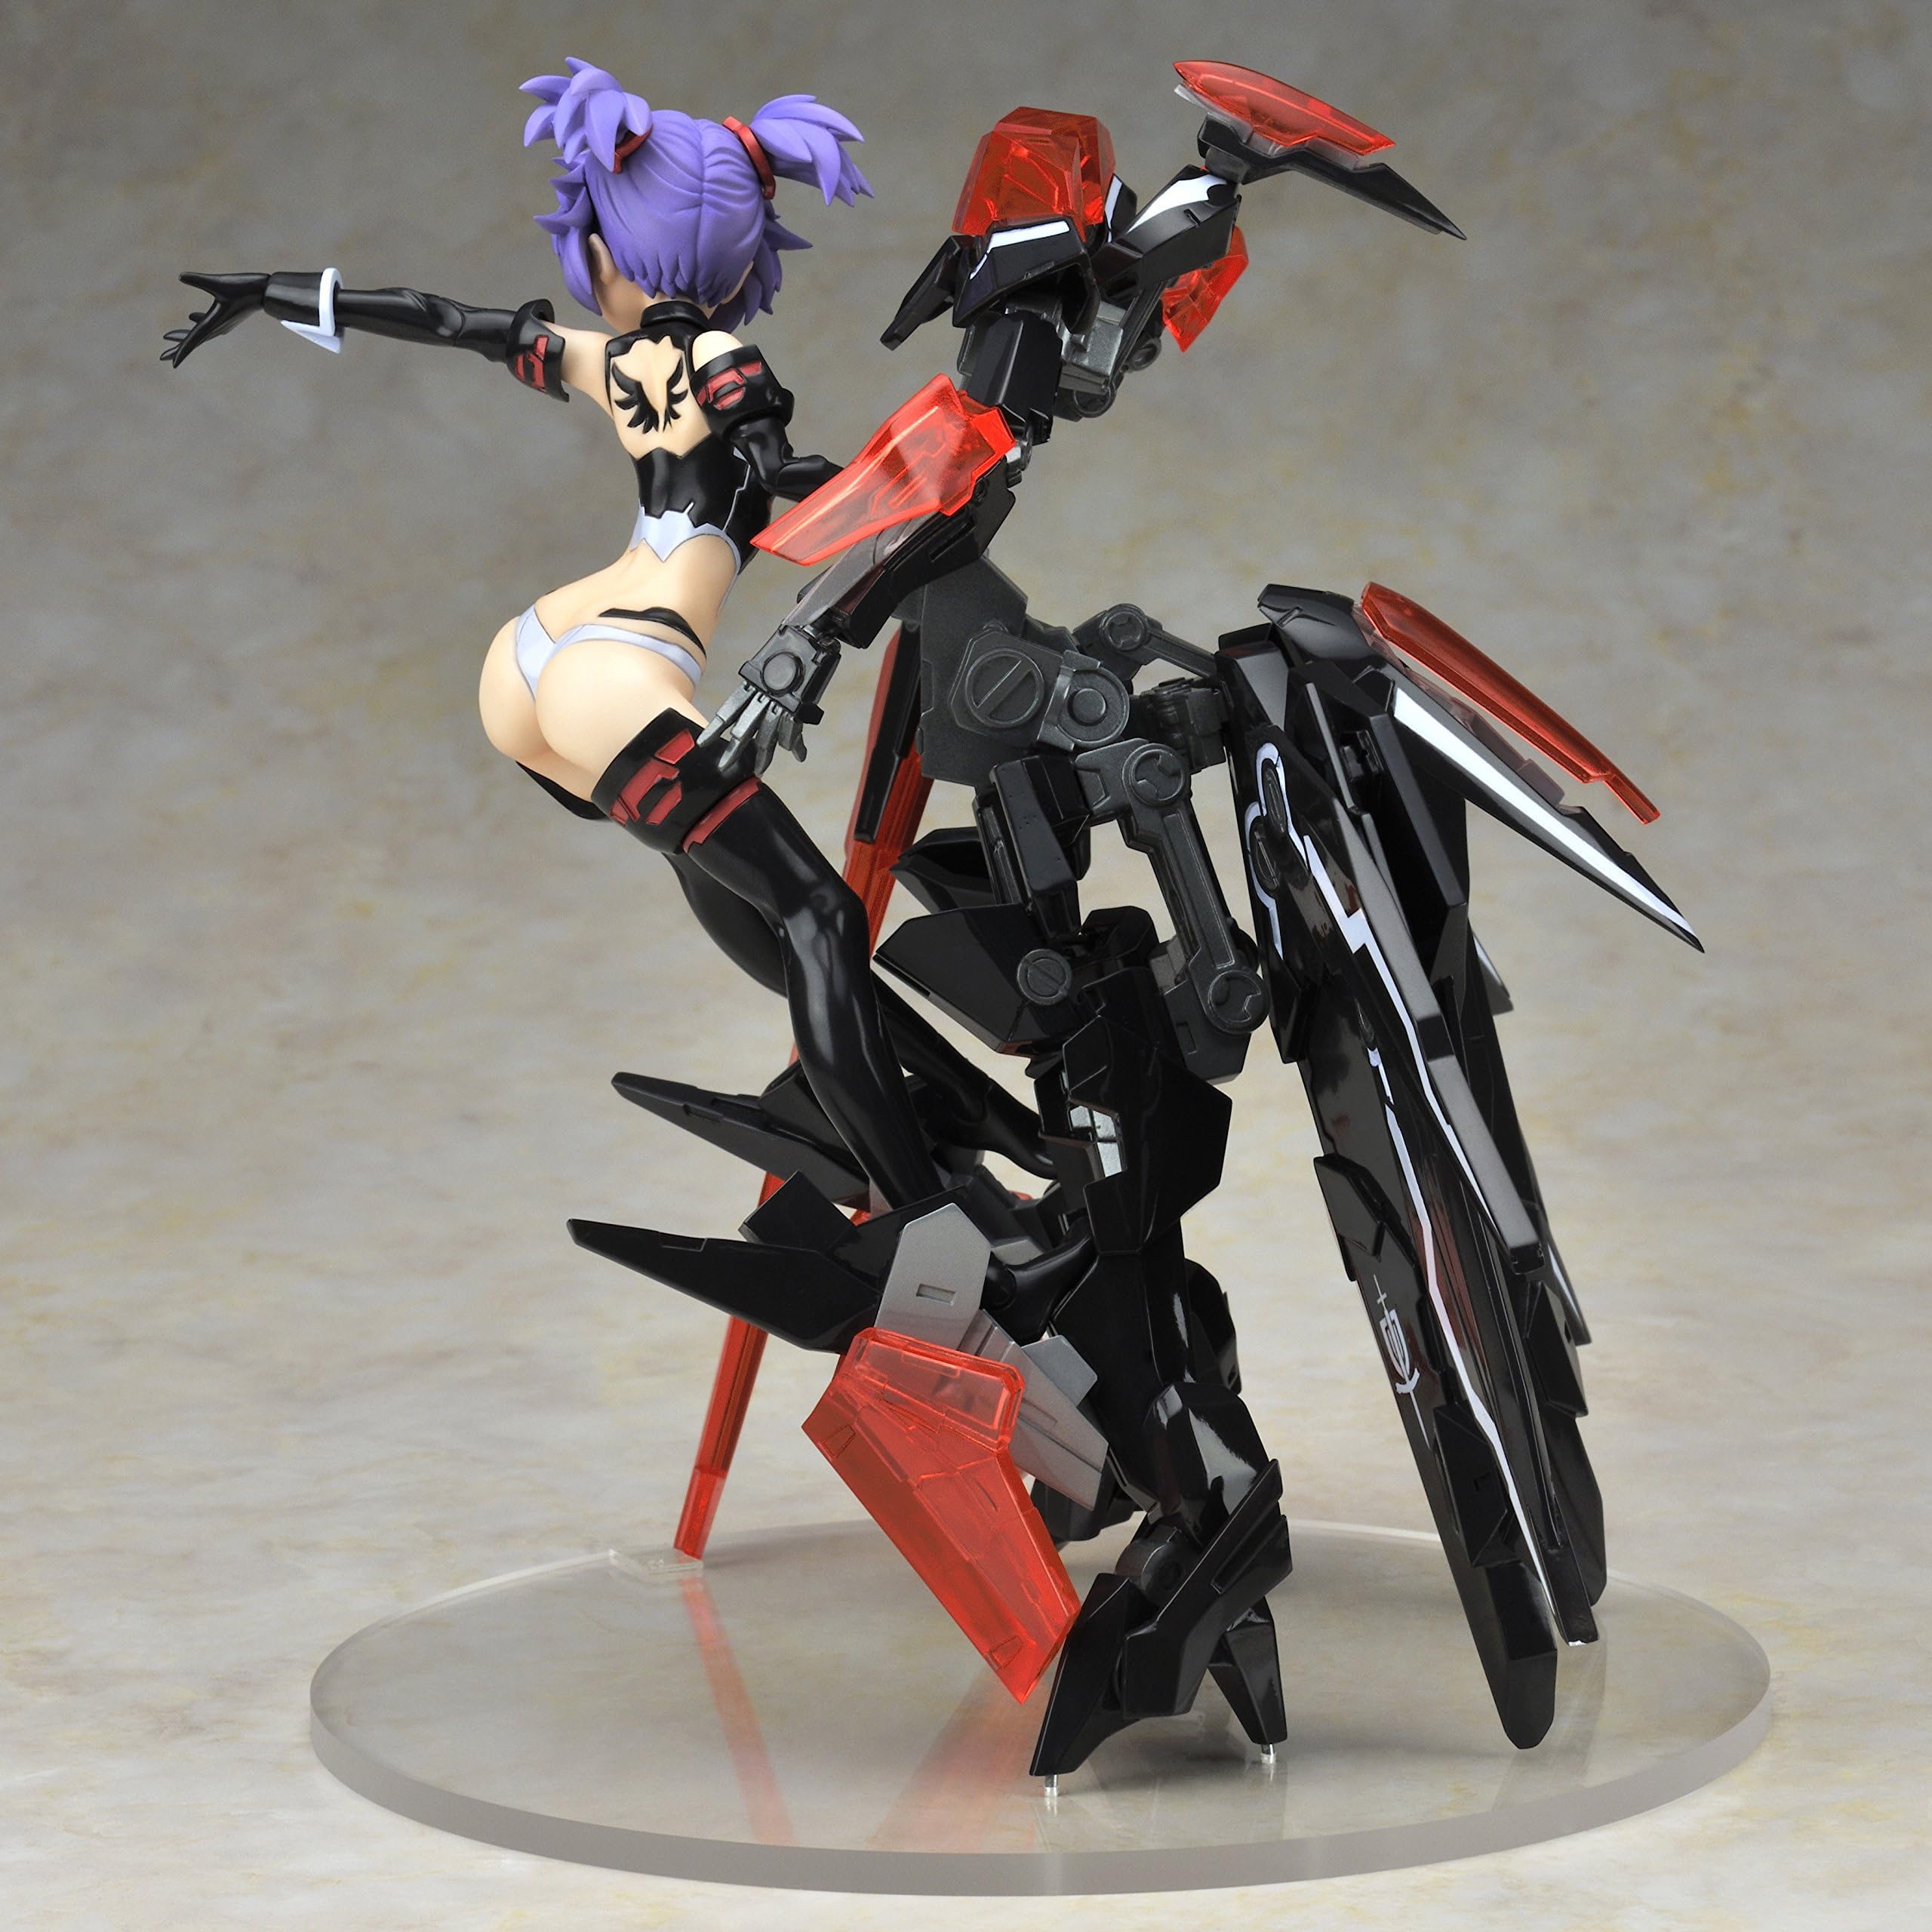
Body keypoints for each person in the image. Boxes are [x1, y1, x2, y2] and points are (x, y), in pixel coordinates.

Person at [162, 60, 971, 1209]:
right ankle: (922, 1217)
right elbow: (776, 467)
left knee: (760, 912)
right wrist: (918, 480)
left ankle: (960, 1137)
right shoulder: (722, 360)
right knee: (821, 915)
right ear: (741, 257)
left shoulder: (606, 357)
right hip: (622, 671)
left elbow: (445, 319)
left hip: (531, 667)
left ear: (609, 253)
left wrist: (279, 294)